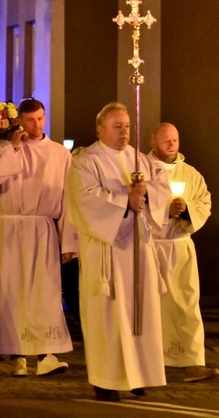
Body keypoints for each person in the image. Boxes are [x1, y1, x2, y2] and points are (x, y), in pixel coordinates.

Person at [65, 102, 170, 402]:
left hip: (138, 247)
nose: (124, 131)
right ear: (100, 129)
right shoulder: (87, 161)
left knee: (141, 312)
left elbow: (161, 186)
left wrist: (146, 192)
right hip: (107, 250)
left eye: (126, 125)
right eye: (117, 126)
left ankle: (140, 375)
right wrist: (126, 200)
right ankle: (107, 379)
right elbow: (84, 199)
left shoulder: (139, 158)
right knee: (109, 316)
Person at [0, 98, 73, 378]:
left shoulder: (60, 154)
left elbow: (70, 200)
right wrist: (12, 148)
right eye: (31, 119)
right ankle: (18, 356)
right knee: (12, 291)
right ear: (20, 120)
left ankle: (47, 353)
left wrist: (68, 240)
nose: (37, 125)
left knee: (44, 292)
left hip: (41, 228)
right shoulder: (4, 149)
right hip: (8, 228)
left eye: (41, 118)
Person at [146, 123, 219, 382]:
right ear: (153, 142)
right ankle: (149, 362)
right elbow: (133, 203)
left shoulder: (191, 174)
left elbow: (204, 202)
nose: (171, 144)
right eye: (165, 140)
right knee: (150, 306)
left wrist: (186, 210)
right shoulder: (142, 170)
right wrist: (163, 211)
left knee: (186, 305)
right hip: (151, 246)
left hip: (179, 245)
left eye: (174, 139)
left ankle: (192, 362)